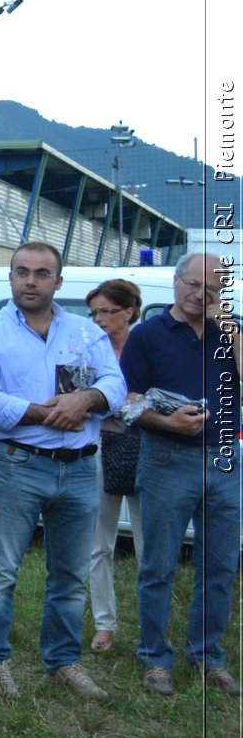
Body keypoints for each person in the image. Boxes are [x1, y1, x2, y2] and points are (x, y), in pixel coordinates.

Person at [0, 241, 125, 701]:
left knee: (71, 573)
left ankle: (63, 661)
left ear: (59, 280)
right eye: (21, 272)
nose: (30, 280)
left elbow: (114, 383)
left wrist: (85, 400)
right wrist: (43, 412)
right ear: (10, 277)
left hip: (79, 469)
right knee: (0, 572)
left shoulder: (85, 332)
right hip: (19, 464)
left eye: (41, 273)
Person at [121, 253, 242, 697]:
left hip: (226, 460)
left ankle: (207, 656)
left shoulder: (229, 333)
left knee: (220, 566)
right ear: (175, 283)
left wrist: (228, 325)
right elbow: (128, 402)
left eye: (210, 289)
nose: (199, 294)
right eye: (192, 284)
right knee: (159, 566)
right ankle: (155, 658)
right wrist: (168, 422)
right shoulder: (147, 335)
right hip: (167, 458)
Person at [84, 279, 144, 654]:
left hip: (144, 449)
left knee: (147, 544)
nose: (99, 319)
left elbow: (157, 398)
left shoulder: (145, 348)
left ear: (129, 312)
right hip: (98, 448)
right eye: (94, 312)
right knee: (98, 544)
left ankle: (149, 625)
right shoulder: (88, 350)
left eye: (107, 311)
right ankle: (105, 624)